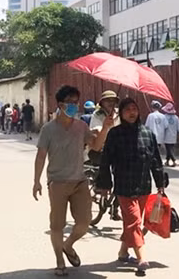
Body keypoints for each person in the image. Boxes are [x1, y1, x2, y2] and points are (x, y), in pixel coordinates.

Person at [33, 85, 113, 277]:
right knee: (57, 225)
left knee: (84, 223)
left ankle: (68, 245)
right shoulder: (48, 129)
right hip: (57, 182)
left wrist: (105, 128)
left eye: (76, 102)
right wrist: (36, 181)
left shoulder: (81, 126)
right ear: (60, 104)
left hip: (79, 181)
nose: (74, 106)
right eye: (70, 102)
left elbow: (95, 146)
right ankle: (60, 262)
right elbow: (41, 156)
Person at [96, 97, 165, 277]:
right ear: (121, 113)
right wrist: (104, 183)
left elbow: (155, 160)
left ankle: (122, 252)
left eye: (134, 109)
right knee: (134, 221)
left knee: (131, 222)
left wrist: (160, 183)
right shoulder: (115, 134)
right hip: (124, 186)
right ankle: (141, 258)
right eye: (127, 110)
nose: (132, 112)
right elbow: (106, 160)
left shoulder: (147, 133)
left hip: (143, 186)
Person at [88, 90, 120, 165]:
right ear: (102, 103)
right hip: (101, 151)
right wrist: (105, 127)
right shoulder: (97, 115)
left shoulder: (120, 114)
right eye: (107, 100)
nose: (111, 103)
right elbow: (97, 134)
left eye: (113, 100)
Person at [160, 103, 179, 167]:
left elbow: (164, 126)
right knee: (170, 148)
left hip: (166, 136)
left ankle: (174, 160)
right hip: (173, 136)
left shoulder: (164, 117)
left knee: (169, 149)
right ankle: (167, 161)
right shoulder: (176, 118)